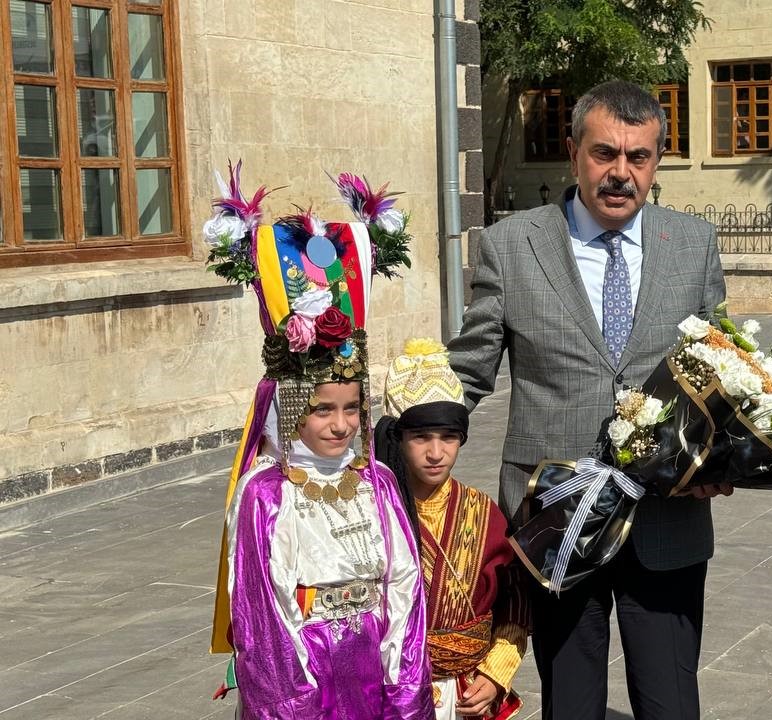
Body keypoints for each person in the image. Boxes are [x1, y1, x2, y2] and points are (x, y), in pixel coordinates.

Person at [448, 79, 730, 720]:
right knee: (570, 704)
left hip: (667, 520)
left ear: (657, 161)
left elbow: (720, 378)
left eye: (639, 157)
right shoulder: (513, 245)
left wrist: (716, 464)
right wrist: (399, 438)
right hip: (554, 522)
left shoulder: (692, 246)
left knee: (670, 703)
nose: (621, 173)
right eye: (605, 153)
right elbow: (469, 370)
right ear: (573, 152)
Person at [207, 170, 431, 719]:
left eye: (352, 409)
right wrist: (298, 690)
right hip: (306, 666)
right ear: (290, 412)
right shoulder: (266, 494)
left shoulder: (375, 482)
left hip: (375, 660)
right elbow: (265, 607)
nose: (341, 425)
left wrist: (401, 673)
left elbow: (403, 579)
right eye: (322, 410)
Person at [374, 338, 529, 720]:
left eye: (448, 437)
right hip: (394, 691)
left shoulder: (484, 513)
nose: (435, 453)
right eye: (420, 437)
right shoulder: (377, 513)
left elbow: (516, 606)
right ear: (397, 438)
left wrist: (495, 675)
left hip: (468, 694)